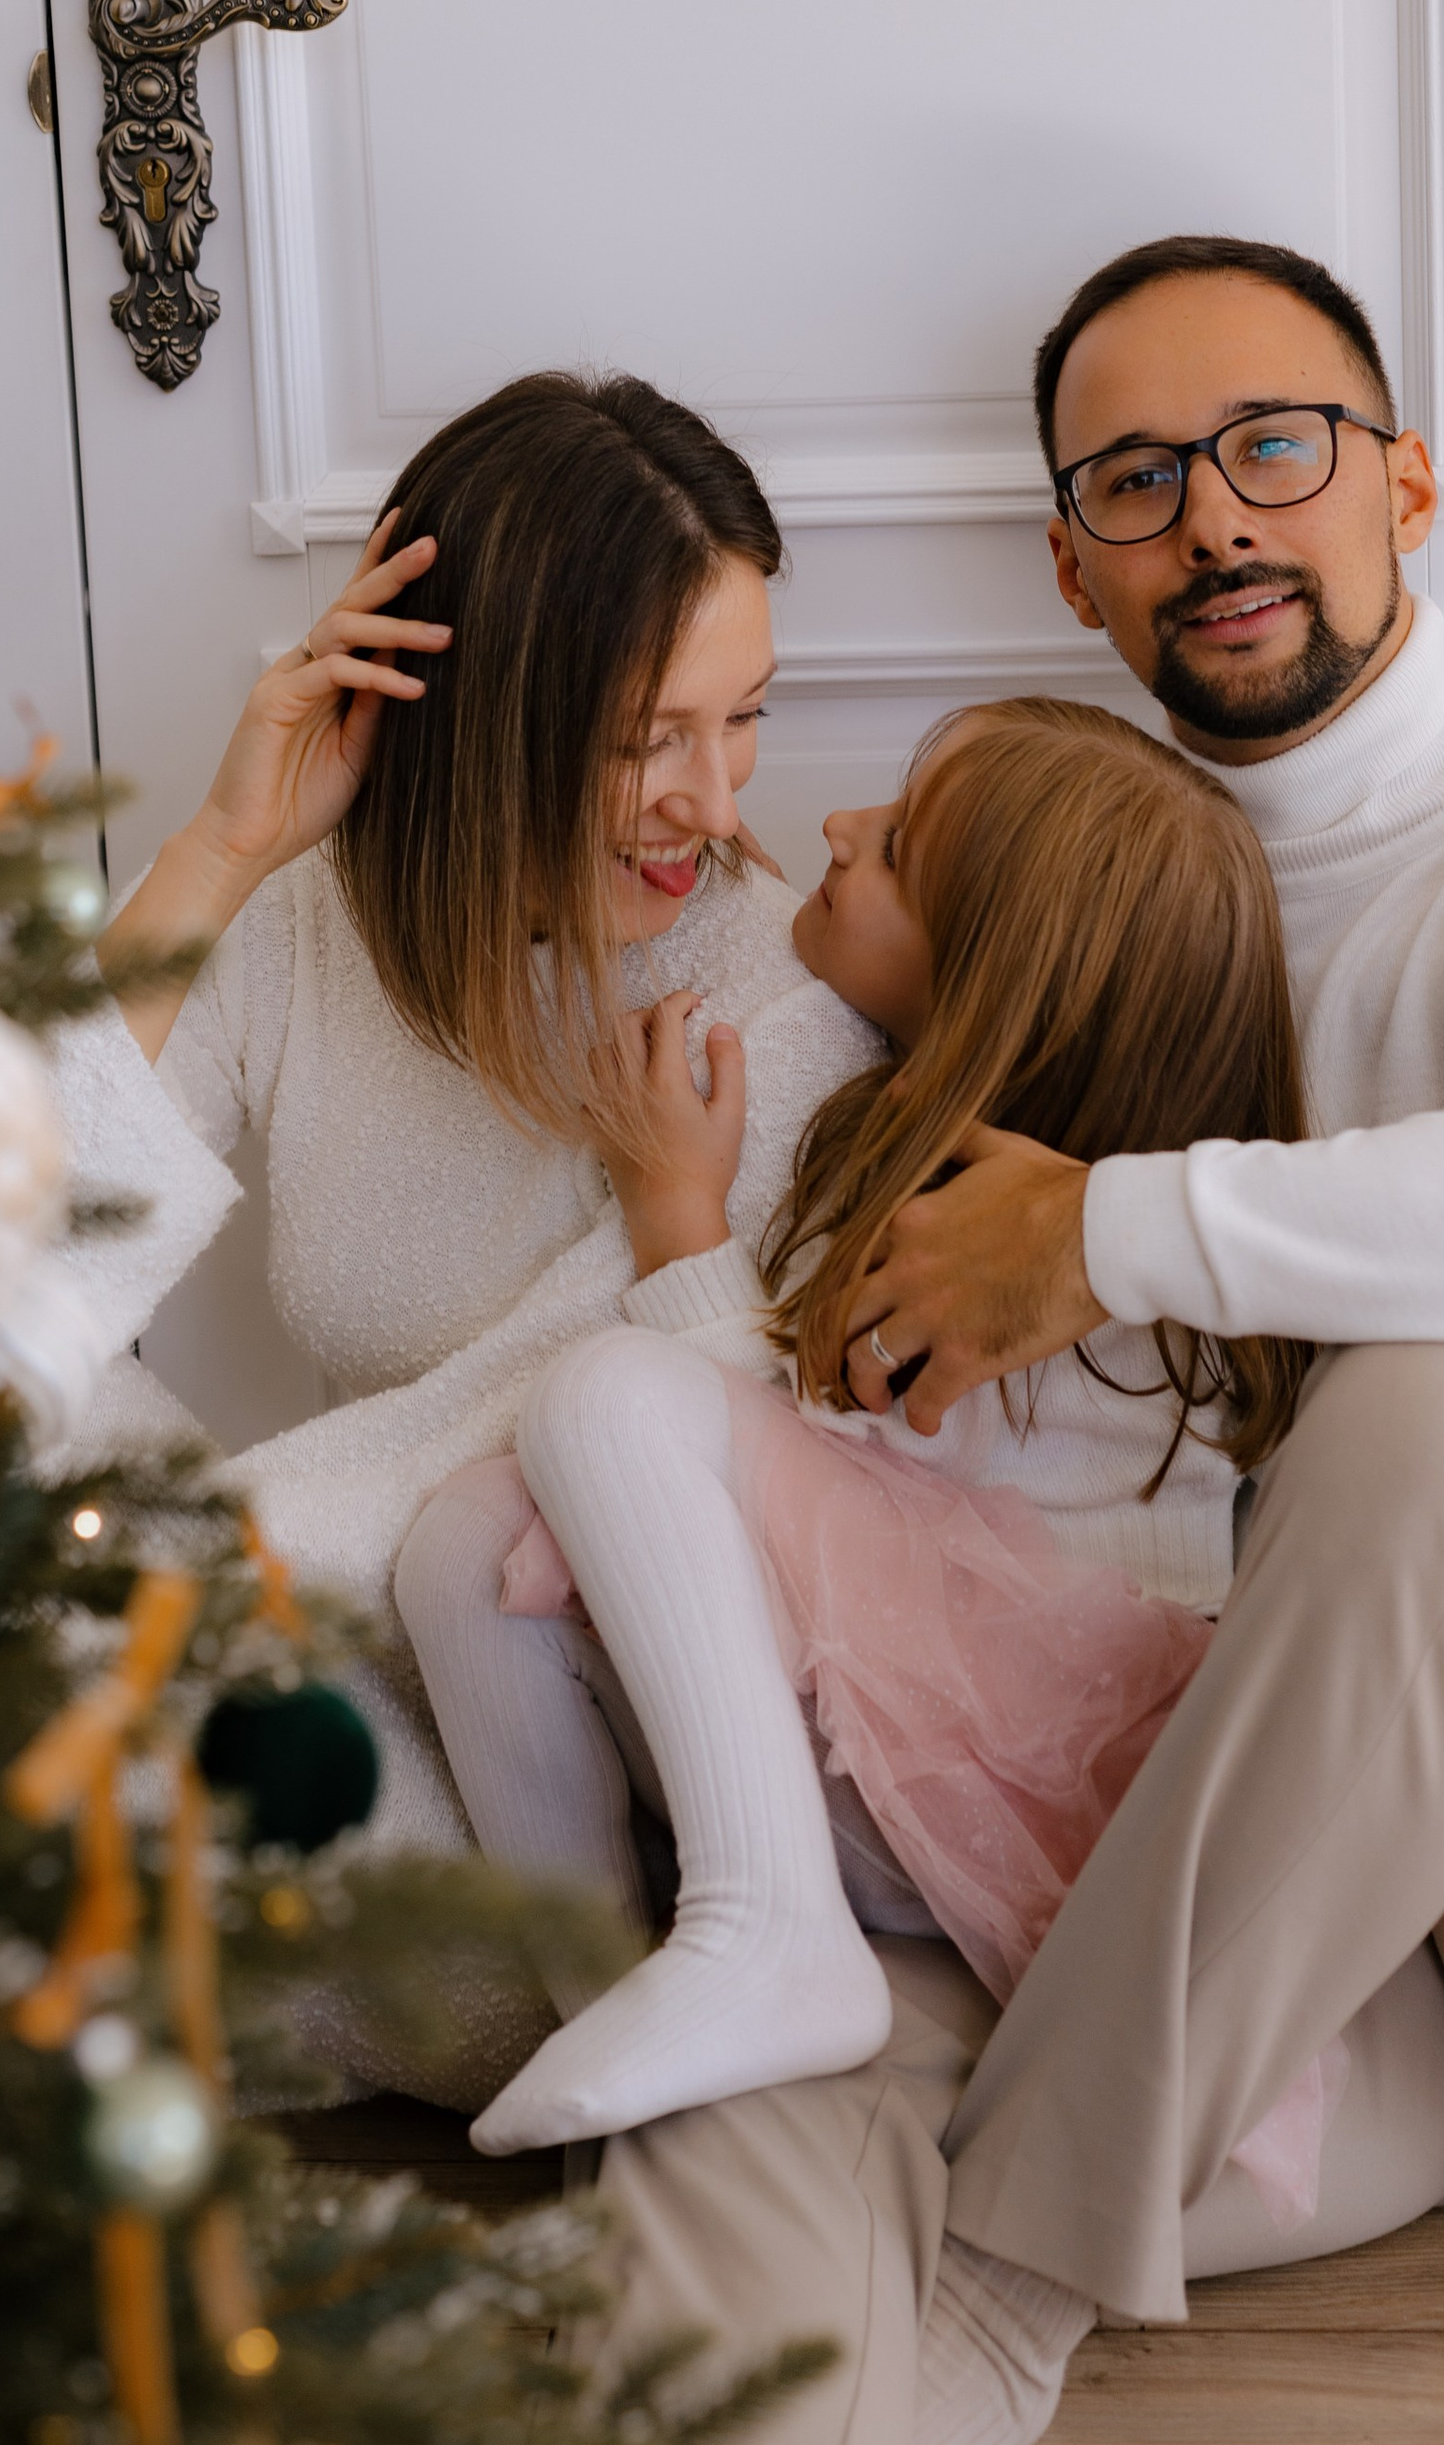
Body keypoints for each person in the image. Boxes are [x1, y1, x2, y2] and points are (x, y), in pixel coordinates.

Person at [580, 233, 1444, 2445]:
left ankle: (1021, 2268)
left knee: (1433, 1420)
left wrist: (1107, 1224)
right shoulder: (1034, 896)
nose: (1214, 516)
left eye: (1271, 446)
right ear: (1073, 574)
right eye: (1133, 479)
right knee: (760, 2072)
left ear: (1400, 482)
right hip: (1262, 1912)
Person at [397, 696, 1324, 2182]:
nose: (837, 828)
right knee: (461, 1550)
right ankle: (623, 2041)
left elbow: (809, 1493)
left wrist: (678, 1225)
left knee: (602, 1400)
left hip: (995, 1780)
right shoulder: (897, 1147)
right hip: (859, 1742)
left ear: (996, 984)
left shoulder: (1061, 1283)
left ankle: (767, 1934)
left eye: (891, 848)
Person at [35, 371, 881, 1911]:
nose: (714, 799)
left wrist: (141, 1610)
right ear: (478, 721)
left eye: (743, 719)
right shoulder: (303, 935)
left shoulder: (780, 997)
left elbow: (509, 1436)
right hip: (310, 1650)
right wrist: (217, 854)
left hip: (593, 1759)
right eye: (649, 740)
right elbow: (0, 1275)